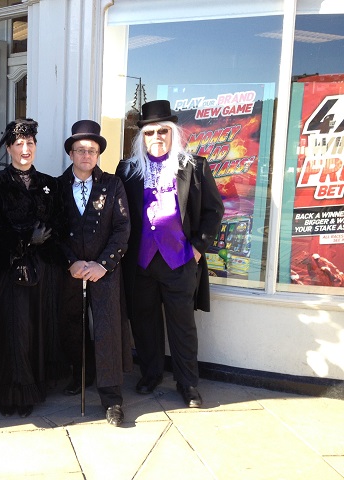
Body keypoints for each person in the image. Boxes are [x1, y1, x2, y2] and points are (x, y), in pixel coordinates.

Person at [116, 100, 225, 408]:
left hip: (180, 261)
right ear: (142, 136)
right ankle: (150, 374)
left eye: (163, 131)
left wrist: (197, 248)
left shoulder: (195, 166)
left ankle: (188, 383)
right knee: (144, 323)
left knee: (182, 325)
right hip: (141, 262)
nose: (157, 137)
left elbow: (213, 211)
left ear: (173, 133)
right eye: (150, 132)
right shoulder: (127, 169)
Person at [0, 119, 66, 418]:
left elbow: (59, 221)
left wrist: (45, 237)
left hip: (43, 268)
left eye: (30, 143)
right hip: (8, 266)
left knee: (36, 327)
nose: (25, 149)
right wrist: (22, 239)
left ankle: (32, 388)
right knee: (12, 328)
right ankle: (10, 391)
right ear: (8, 148)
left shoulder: (49, 183)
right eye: (19, 144)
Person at [58, 120, 133, 427]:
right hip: (72, 271)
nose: (86, 155)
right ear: (71, 153)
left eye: (92, 150)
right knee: (72, 325)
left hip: (106, 271)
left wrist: (103, 265)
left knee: (106, 330)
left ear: (99, 153)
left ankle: (112, 397)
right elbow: (55, 231)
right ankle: (80, 375)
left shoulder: (113, 184)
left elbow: (122, 228)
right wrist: (71, 262)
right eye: (80, 149)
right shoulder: (57, 186)